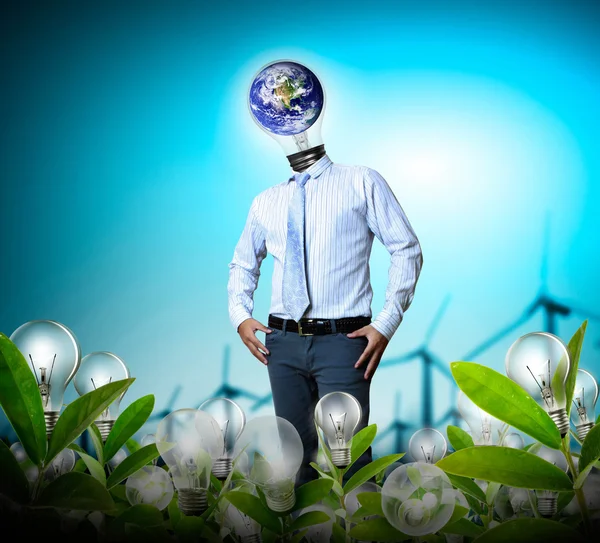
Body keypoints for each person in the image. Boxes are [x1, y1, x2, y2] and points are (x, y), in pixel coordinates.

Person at [227, 60, 423, 486]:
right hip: (282, 344)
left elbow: (406, 249)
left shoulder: (362, 181)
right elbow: (244, 263)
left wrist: (387, 322)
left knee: (349, 461)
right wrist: (240, 314)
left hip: (344, 342)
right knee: (295, 459)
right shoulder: (266, 201)